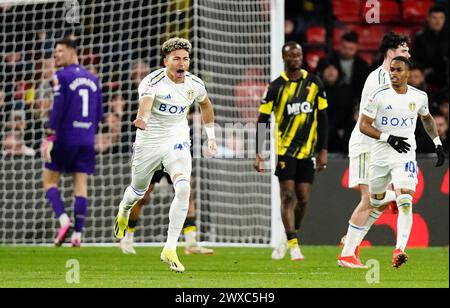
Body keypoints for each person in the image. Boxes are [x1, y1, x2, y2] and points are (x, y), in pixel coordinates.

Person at [113, 38, 217, 273]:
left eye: (186, 59)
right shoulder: (152, 81)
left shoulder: (194, 84)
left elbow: (206, 105)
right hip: (149, 142)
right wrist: (143, 119)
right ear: (166, 61)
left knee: (183, 188)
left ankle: (171, 248)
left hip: (177, 141)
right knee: (138, 193)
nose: (182, 63)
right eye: (177, 59)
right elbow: (146, 104)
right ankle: (124, 209)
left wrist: (211, 137)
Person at [359, 56, 445, 268]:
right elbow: (363, 125)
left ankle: (399, 250)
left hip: (405, 154)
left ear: (408, 73)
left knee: (406, 199)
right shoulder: (378, 95)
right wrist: (388, 138)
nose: (394, 74)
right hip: (380, 153)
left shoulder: (419, 97)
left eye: (398, 70)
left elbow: (426, 118)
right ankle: (390, 197)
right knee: (376, 200)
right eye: (391, 71)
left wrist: (437, 143)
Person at [338, 32, 411, 268]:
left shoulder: (393, 79)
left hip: (382, 147)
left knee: (376, 202)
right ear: (391, 52)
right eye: (404, 49)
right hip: (366, 144)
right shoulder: (378, 79)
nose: (409, 54)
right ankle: (347, 252)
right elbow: (370, 121)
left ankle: (350, 245)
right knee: (370, 199)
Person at [255, 41, 328, 261]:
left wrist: (323, 149)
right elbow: (262, 121)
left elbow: (323, 119)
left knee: (303, 199)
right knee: (287, 196)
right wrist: (259, 152)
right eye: (291, 55)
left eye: (298, 55)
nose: (295, 58)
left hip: (307, 152)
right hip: (285, 151)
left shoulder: (314, 83)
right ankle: (294, 245)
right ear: (283, 58)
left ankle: (286, 238)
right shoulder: (276, 87)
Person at [41, 36, 103, 247]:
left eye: (59, 51)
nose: (56, 55)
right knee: (81, 186)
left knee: (49, 181)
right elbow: (99, 113)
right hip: (86, 139)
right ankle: (78, 235)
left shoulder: (61, 76)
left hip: (65, 136)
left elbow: (57, 107)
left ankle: (63, 220)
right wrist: (89, 133)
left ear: (71, 51)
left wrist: (50, 136)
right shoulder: (93, 79)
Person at [119, 169, 214, 255]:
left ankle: (191, 244)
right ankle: (127, 237)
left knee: (186, 194)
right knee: (142, 197)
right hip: (155, 155)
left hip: (176, 155)